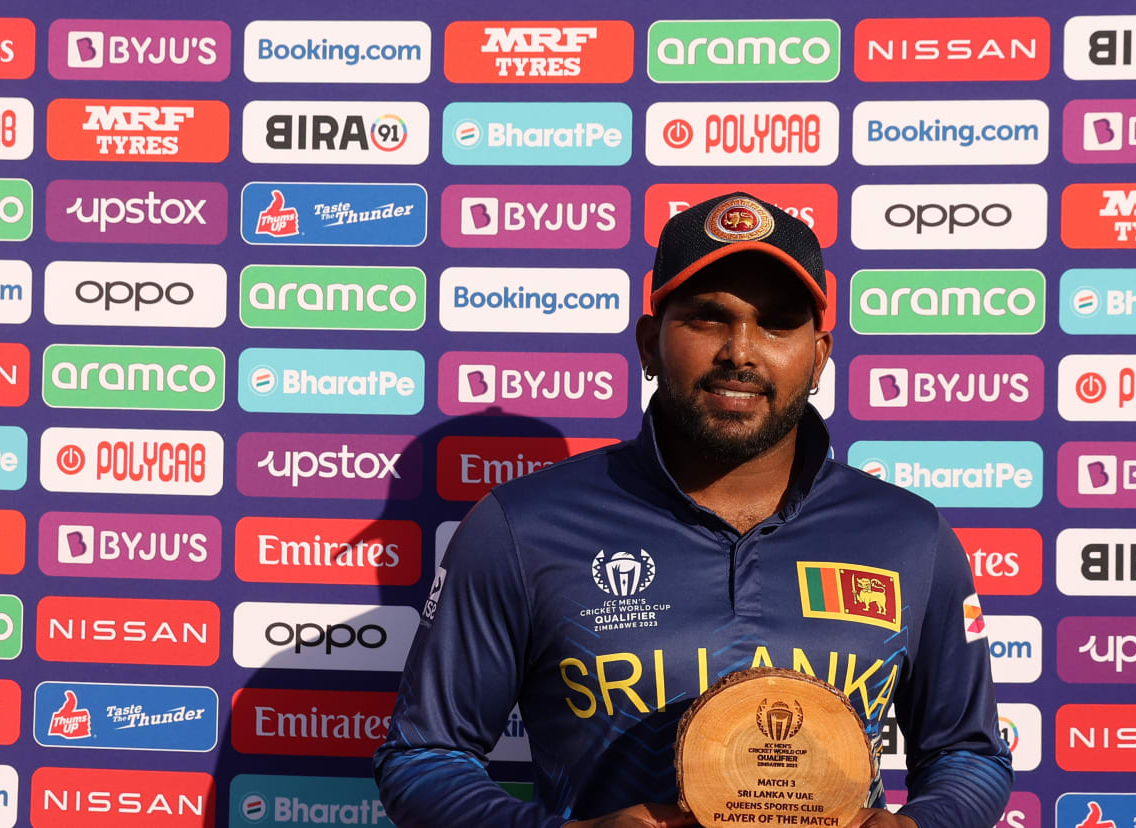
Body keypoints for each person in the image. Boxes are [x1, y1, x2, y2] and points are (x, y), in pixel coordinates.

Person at [375, 193, 1012, 828]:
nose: (740, 350)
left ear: (818, 357)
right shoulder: (521, 526)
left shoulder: (909, 535)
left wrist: (921, 825)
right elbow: (424, 755)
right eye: (708, 319)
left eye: (778, 323)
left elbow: (968, 751)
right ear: (649, 344)